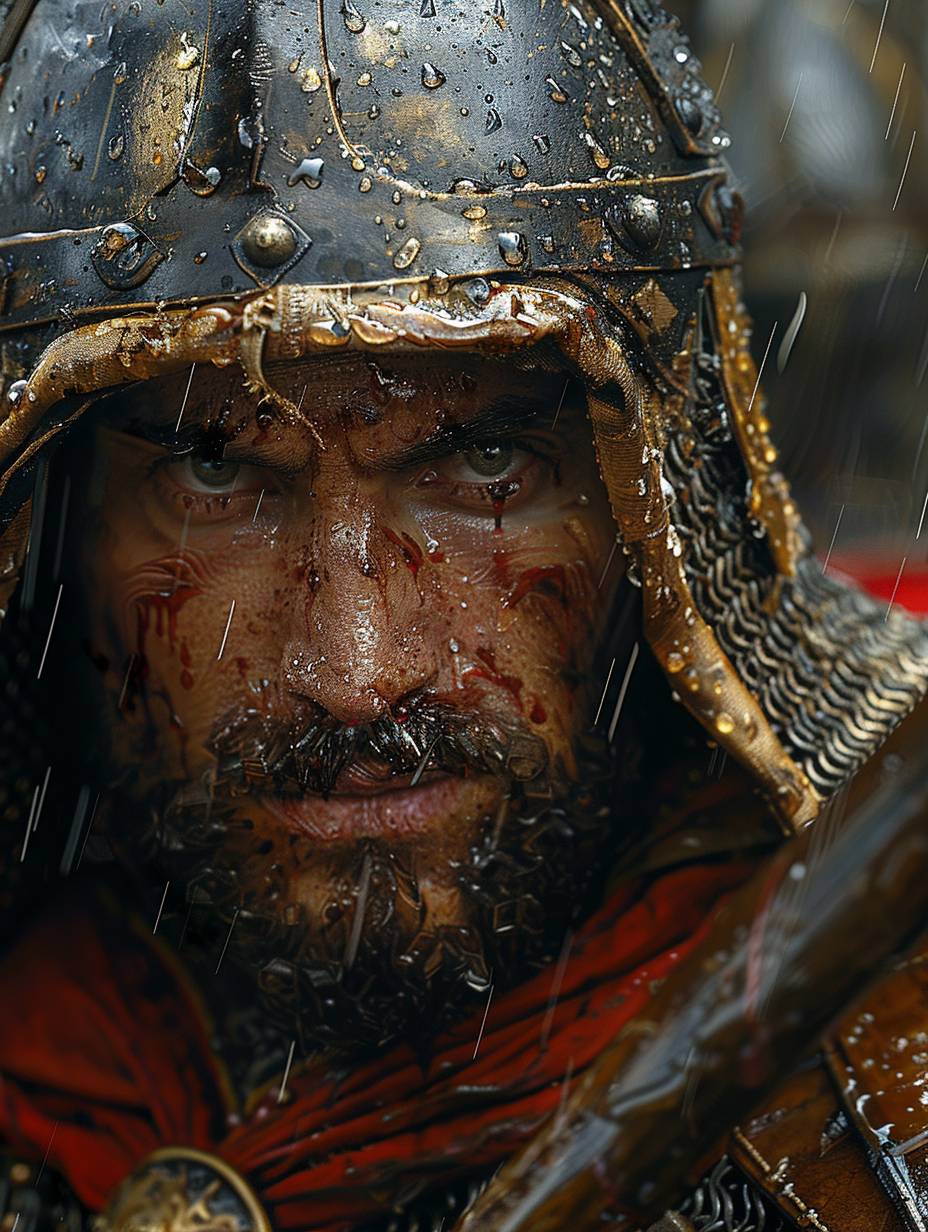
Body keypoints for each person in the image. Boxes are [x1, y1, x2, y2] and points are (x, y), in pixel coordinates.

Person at [0, 0, 924, 1228]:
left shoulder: (882, 1027)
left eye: (485, 469)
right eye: (213, 479)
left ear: (658, 509)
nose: (355, 669)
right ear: (47, 525)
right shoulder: (47, 1052)